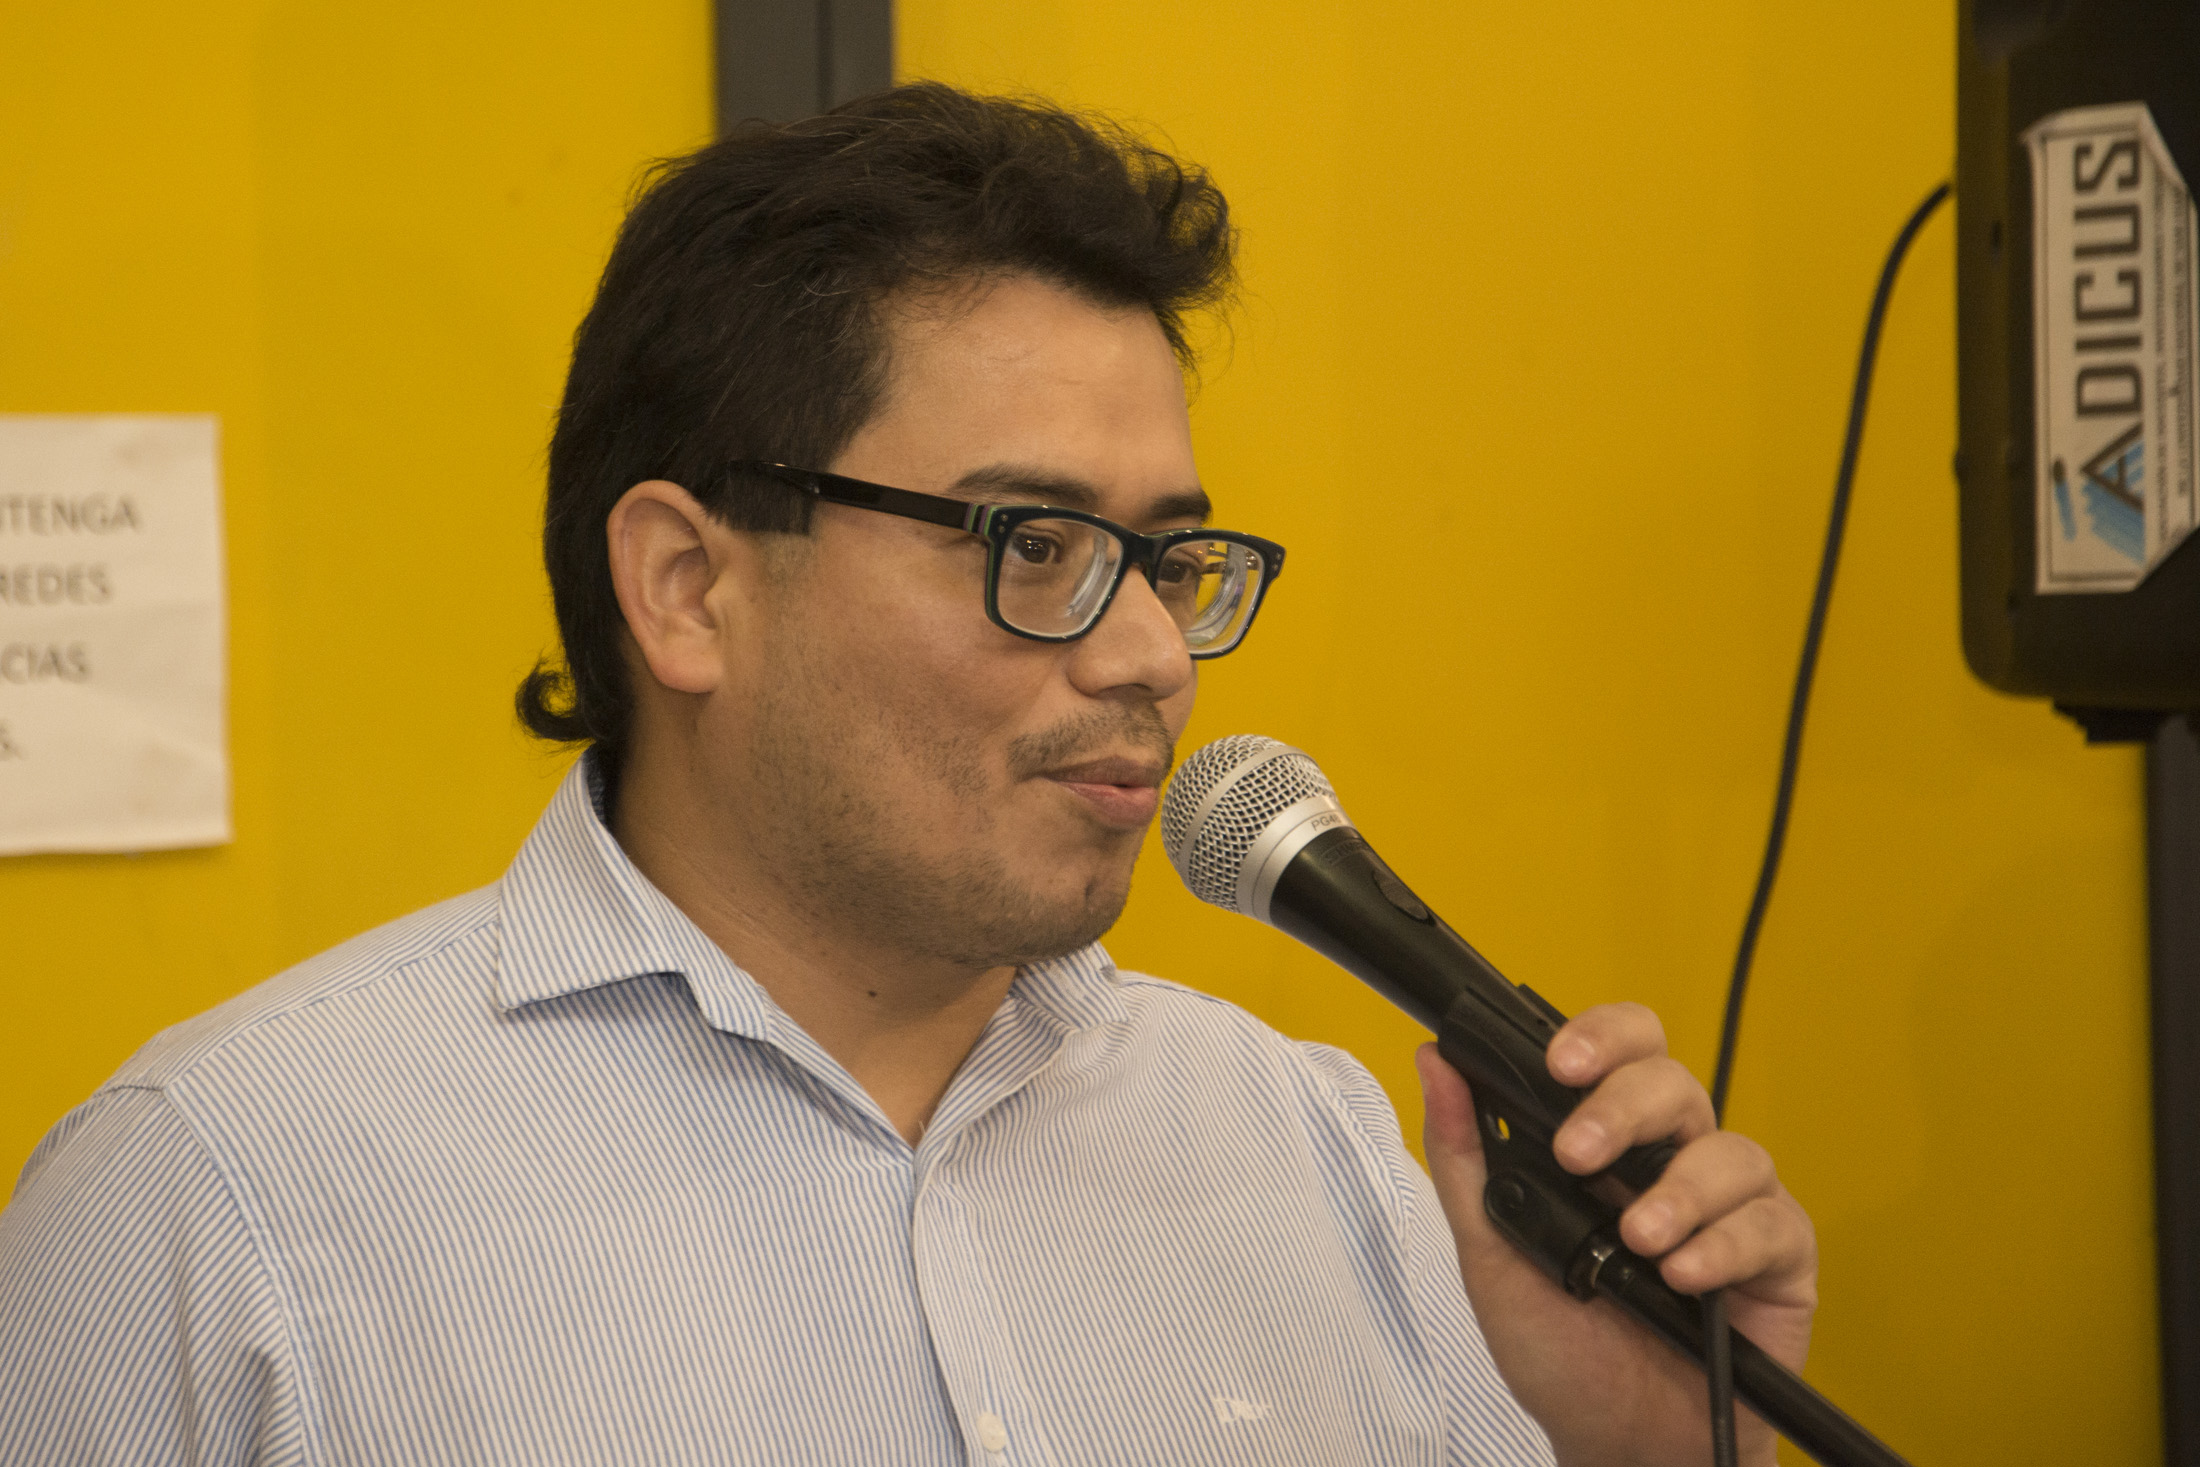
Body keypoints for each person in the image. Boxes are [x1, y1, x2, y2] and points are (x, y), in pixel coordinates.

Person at [0, 84, 1815, 1465]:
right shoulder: (216, 1205)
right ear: (689, 588)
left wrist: (1649, 1453)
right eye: (1037, 544)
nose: (1154, 653)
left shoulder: (1320, 1150)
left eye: (1171, 557)